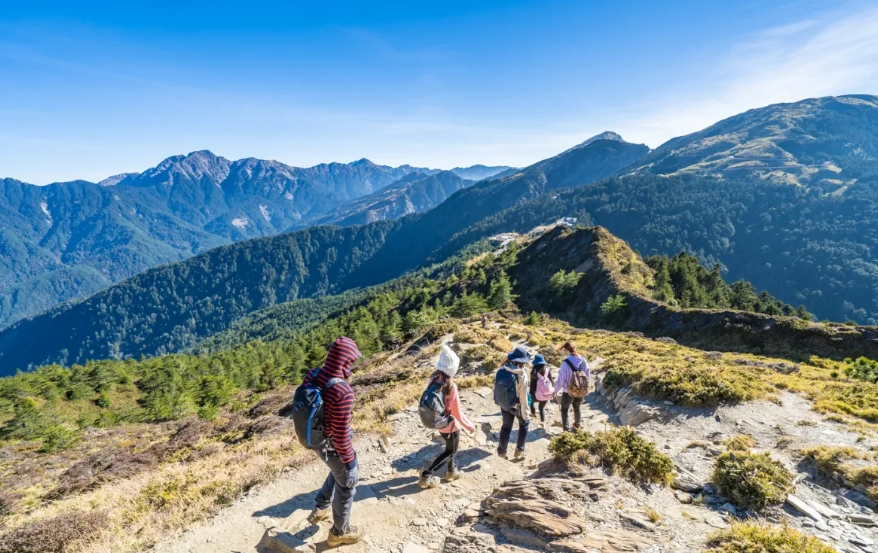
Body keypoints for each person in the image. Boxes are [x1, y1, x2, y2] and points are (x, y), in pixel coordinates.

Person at [304, 337, 365, 547]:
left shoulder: (313, 374)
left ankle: (321, 506)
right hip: (331, 443)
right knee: (347, 481)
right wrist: (350, 462)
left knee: (336, 469)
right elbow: (339, 436)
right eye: (351, 362)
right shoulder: (343, 392)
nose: (353, 366)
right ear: (345, 362)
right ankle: (339, 532)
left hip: (312, 438)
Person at [419, 346, 475, 488]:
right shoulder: (451, 386)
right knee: (451, 451)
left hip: (437, 422)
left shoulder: (433, 378)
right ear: (453, 369)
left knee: (450, 448)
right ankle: (427, 475)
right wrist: (469, 425)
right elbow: (456, 413)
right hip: (449, 425)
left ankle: (452, 471)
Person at [495, 346, 531, 461]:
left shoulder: (501, 369)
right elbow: (523, 397)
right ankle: (519, 451)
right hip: (516, 405)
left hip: (504, 404)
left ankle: (502, 452)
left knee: (506, 427)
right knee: (524, 423)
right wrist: (525, 413)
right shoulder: (521, 375)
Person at [552, 341, 590, 432]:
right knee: (577, 408)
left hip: (568, 391)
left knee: (564, 410)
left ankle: (566, 431)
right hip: (581, 390)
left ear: (566, 350)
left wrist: (555, 391)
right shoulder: (583, 361)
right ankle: (577, 426)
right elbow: (588, 376)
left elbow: (561, 380)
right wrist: (585, 388)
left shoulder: (565, 363)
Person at [528, 354, 554, 426]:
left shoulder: (533, 372)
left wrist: (530, 395)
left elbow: (532, 386)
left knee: (531, 402)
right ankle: (543, 421)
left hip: (536, 395)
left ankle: (533, 413)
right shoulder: (548, 371)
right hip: (546, 394)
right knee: (541, 407)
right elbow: (552, 382)